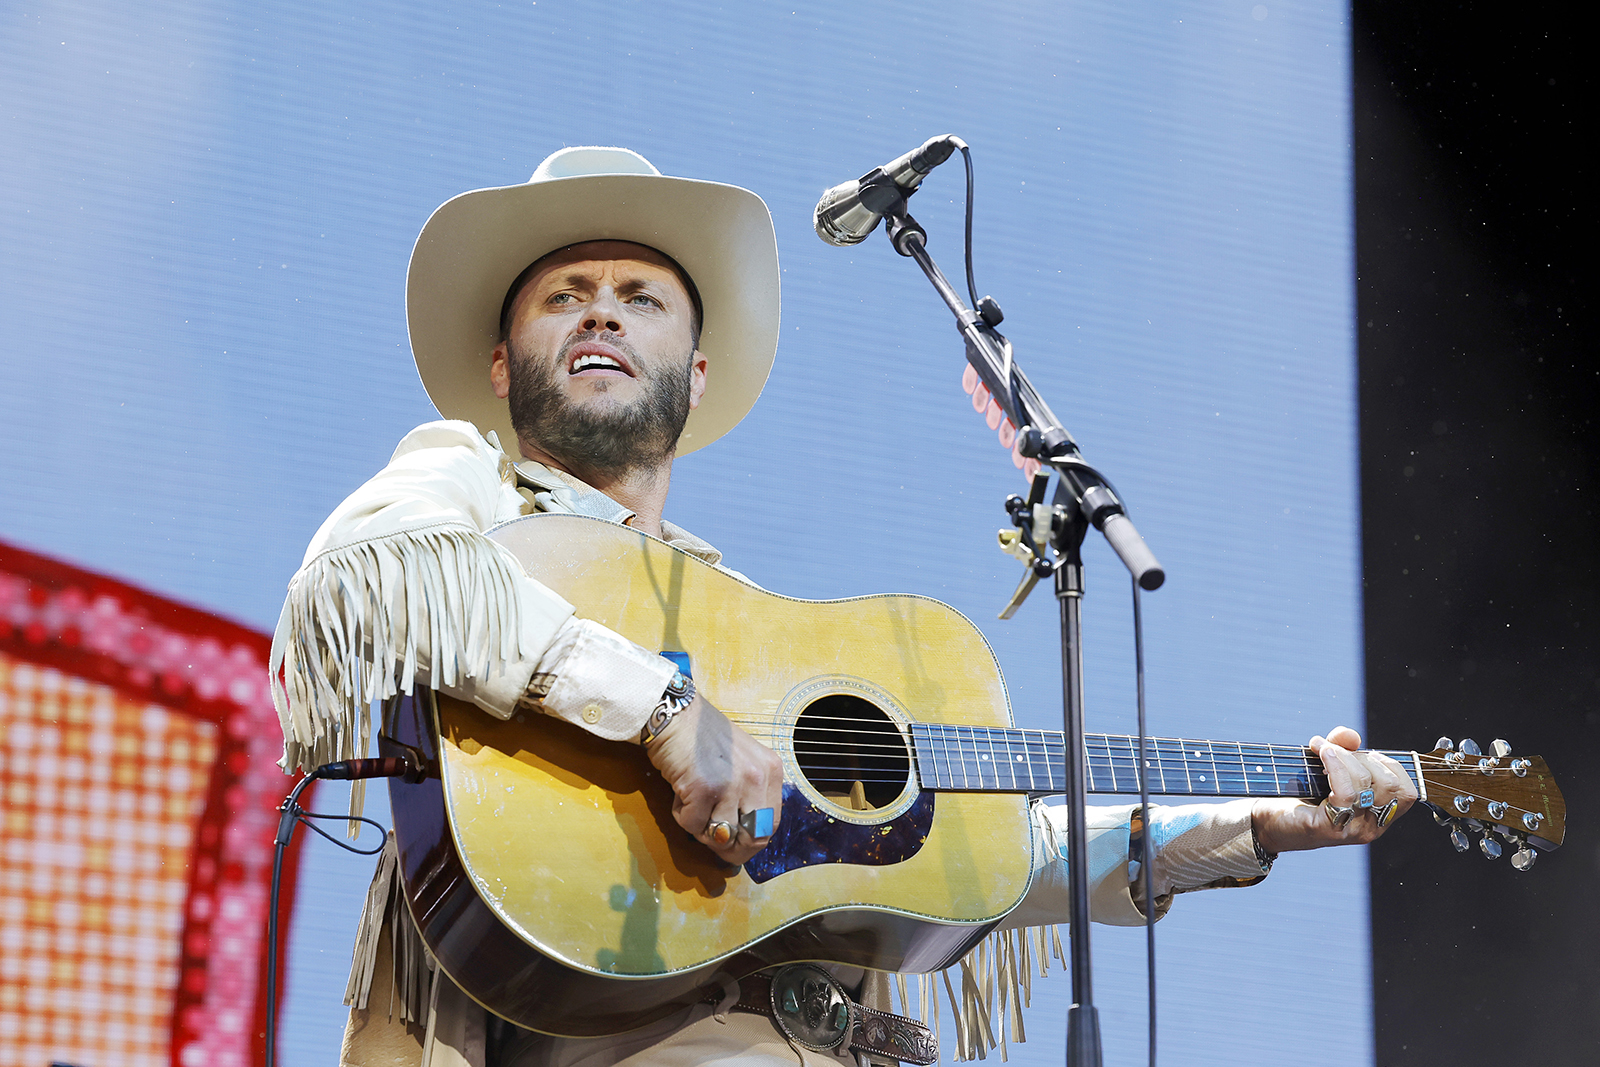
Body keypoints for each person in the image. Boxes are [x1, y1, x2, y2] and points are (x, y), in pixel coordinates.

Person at [271, 147, 1417, 1067]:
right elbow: (367, 580)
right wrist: (665, 711)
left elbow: (989, 848)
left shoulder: (731, 615)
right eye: (564, 297)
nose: (601, 316)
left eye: (639, 298)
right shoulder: (465, 478)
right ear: (503, 366)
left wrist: (1263, 820)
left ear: (697, 372)